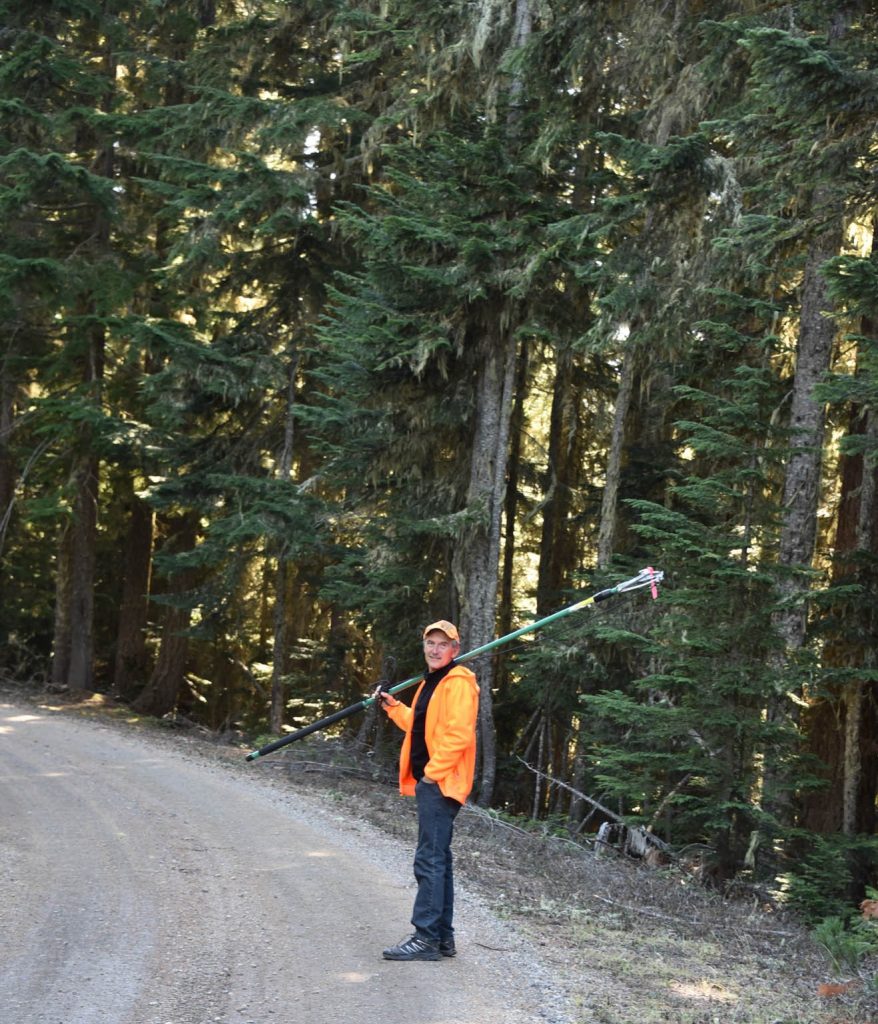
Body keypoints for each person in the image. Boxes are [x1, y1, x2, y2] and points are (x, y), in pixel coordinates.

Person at [374, 619, 479, 961]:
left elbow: (458, 735)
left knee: (429, 860)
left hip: (441, 783)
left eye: (442, 645)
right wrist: (393, 708)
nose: (435, 650)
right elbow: (421, 727)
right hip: (434, 782)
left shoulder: (458, 682)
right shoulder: (432, 682)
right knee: (439, 859)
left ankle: (426, 938)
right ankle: (443, 938)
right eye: (430, 644)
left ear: (455, 650)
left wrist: (432, 775)